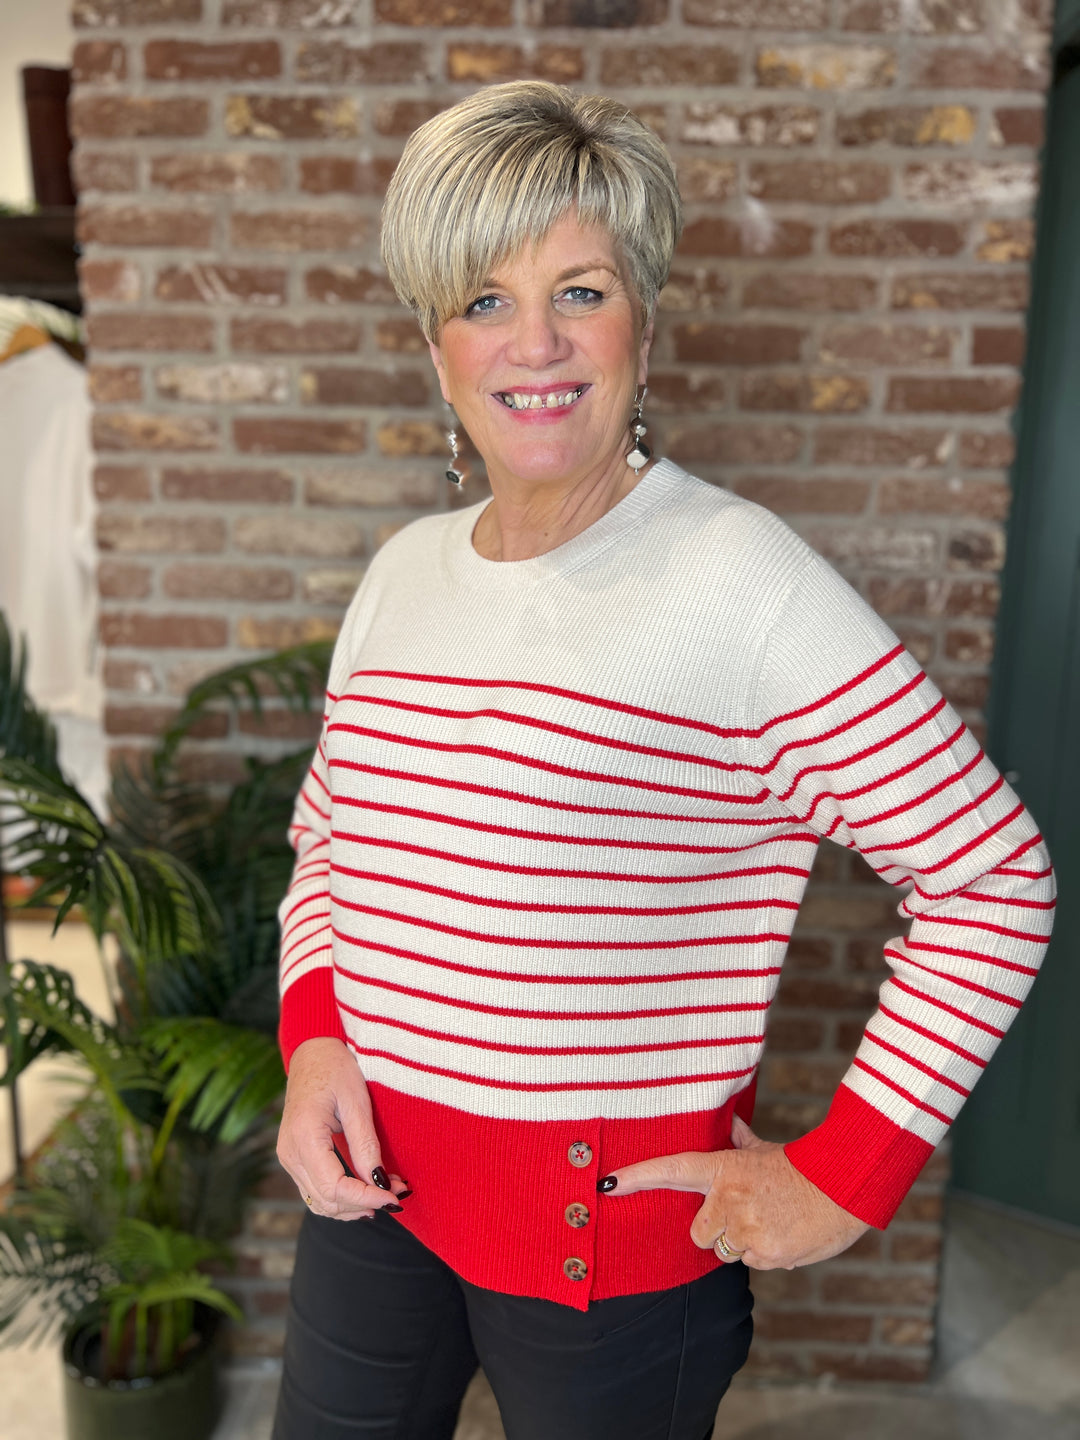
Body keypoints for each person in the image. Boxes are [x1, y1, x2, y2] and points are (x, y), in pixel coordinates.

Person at [272, 81, 1055, 1440]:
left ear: (645, 318)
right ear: (435, 345)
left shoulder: (742, 584)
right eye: (485, 300)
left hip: (608, 1262)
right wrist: (313, 1039)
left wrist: (845, 1174)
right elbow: (331, 838)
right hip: (371, 1199)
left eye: (580, 292)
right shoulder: (403, 573)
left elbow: (994, 880)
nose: (535, 343)